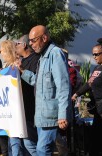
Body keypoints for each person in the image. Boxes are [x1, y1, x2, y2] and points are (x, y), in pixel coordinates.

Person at [17, 25, 71, 155]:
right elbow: (38, 81)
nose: (30, 44)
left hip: (51, 115)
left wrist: (63, 115)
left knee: (42, 149)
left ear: (44, 38)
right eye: (29, 41)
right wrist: (22, 71)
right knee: (38, 148)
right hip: (41, 115)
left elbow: (63, 86)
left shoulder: (55, 54)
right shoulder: (42, 57)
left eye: (33, 40)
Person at [72, 43, 102, 155]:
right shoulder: (98, 67)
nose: (94, 57)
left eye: (96, 54)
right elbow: (89, 83)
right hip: (97, 108)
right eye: (93, 54)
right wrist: (77, 94)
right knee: (95, 138)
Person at [8, 35, 39, 156]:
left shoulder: (36, 59)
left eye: (17, 44)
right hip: (20, 108)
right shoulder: (22, 61)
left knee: (29, 143)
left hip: (31, 107)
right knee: (20, 144)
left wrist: (20, 70)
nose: (15, 46)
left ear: (24, 45)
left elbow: (35, 81)